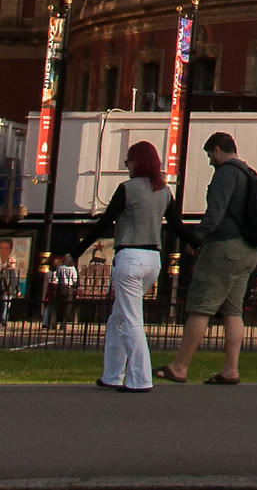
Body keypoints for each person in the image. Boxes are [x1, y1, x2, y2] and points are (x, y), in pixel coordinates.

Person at [76, 139, 176, 392]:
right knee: (118, 318)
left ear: (136, 162)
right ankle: (112, 374)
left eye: (127, 162)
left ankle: (141, 379)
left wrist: (77, 250)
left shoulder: (127, 189)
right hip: (153, 259)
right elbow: (177, 226)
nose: (127, 166)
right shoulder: (164, 191)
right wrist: (198, 243)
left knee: (131, 319)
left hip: (129, 256)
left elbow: (104, 222)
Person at [157, 130, 256, 385]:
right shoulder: (248, 173)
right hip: (248, 249)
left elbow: (215, 212)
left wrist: (196, 239)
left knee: (201, 306)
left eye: (210, 155)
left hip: (224, 247)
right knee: (233, 311)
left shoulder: (226, 173)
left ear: (218, 150)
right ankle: (231, 369)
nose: (211, 161)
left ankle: (180, 366)